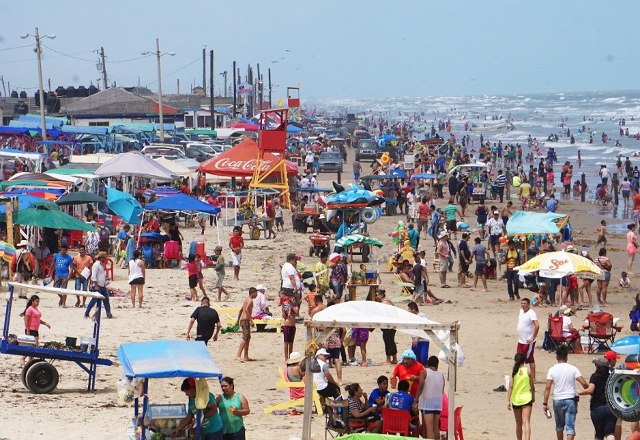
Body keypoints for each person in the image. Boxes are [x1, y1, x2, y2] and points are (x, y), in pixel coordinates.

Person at [543, 347, 588, 440]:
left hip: (557, 399)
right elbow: (583, 383)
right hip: (570, 399)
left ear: (556, 357)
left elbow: (548, 387)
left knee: (559, 426)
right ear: (567, 357)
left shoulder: (552, 370)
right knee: (570, 427)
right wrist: (588, 390)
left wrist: (545, 403)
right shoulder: (573, 369)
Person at [577, 357, 617, 440]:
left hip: (597, 407)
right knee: (610, 433)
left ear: (597, 366)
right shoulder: (611, 377)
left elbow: (590, 390)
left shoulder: (595, 376)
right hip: (611, 408)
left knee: (599, 434)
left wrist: (580, 392)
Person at [415, 356, 445, 440]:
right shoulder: (441, 374)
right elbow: (442, 390)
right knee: (435, 427)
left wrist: (416, 400)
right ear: (437, 365)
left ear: (428, 364)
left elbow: (421, 386)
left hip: (427, 403)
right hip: (438, 403)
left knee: (429, 428)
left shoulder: (424, 372)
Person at [507, 352, 534, 440]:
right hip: (527, 398)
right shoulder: (528, 371)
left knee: (518, 423)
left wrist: (508, 400)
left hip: (516, 399)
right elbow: (532, 386)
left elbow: (511, 386)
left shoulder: (513, 371)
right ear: (524, 361)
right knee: (526, 422)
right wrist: (533, 396)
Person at [84, 252, 114, 319]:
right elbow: (94, 276)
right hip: (98, 286)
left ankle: (108, 314)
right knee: (94, 300)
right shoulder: (96, 265)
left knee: (106, 300)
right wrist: (96, 285)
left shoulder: (100, 264)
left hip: (102, 285)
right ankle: (87, 313)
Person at [517, 298, 539, 382]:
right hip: (521, 340)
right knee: (519, 358)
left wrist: (533, 337)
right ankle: (520, 375)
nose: (523, 305)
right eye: (522, 303)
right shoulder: (521, 311)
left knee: (530, 359)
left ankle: (533, 378)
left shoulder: (531, 313)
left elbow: (537, 325)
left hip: (528, 341)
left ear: (529, 304)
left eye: (525, 303)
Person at [376, 290, 398, 364]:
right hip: (391, 325)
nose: (376, 297)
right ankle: (394, 358)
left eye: (377, 295)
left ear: (381, 295)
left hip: (389, 325)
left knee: (388, 341)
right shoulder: (387, 301)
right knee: (391, 341)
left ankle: (388, 359)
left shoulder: (385, 303)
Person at [236, 287, 257, 363]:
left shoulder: (246, 299)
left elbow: (241, 310)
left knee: (248, 338)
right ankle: (238, 355)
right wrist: (251, 320)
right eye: (256, 293)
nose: (256, 295)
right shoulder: (250, 300)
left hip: (243, 320)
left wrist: (238, 320)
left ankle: (246, 356)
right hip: (245, 320)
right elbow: (246, 310)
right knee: (245, 338)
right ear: (252, 293)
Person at [281, 289, 298, 361]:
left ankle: (290, 356)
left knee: (291, 342)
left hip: (292, 326)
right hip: (287, 325)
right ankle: (286, 357)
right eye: (292, 299)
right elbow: (284, 316)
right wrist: (284, 310)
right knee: (286, 342)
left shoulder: (295, 306)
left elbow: (296, 312)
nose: (293, 301)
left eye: (294, 300)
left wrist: (291, 304)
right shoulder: (286, 305)